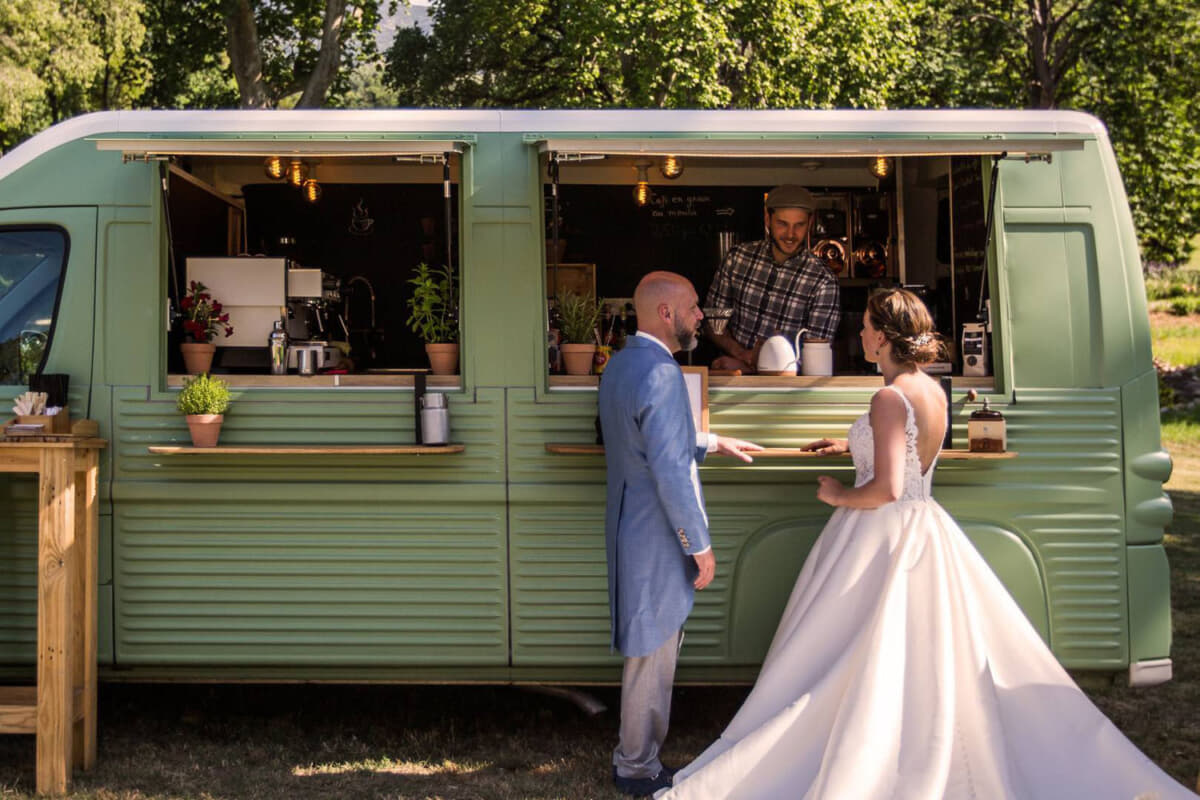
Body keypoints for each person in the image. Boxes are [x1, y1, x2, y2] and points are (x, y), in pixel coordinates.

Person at [658, 288, 1193, 799]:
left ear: (883, 337)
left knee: (855, 649)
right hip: (925, 527)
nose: (860, 335)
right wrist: (850, 443)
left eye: (866, 327)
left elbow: (888, 488)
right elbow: (912, 453)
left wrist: (840, 493)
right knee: (917, 649)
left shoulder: (888, 397)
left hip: (879, 534)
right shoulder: (931, 390)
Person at [598, 271, 763, 797]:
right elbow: (668, 468)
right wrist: (700, 544)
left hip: (628, 525)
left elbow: (645, 438)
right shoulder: (663, 373)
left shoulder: (620, 364)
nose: (701, 316)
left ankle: (635, 759)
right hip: (656, 533)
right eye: (693, 307)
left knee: (648, 649)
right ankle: (637, 768)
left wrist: (710, 440)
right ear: (666, 313)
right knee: (653, 652)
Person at [706, 185, 840, 373]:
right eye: (783, 224)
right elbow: (714, 321)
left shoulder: (823, 281)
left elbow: (815, 357)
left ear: (810, 223)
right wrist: (742, 355)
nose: (791, 234)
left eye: (799, 225)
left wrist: (752, 368)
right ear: (768, 219)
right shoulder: (737, 258)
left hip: (788, 388)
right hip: (732, 379)